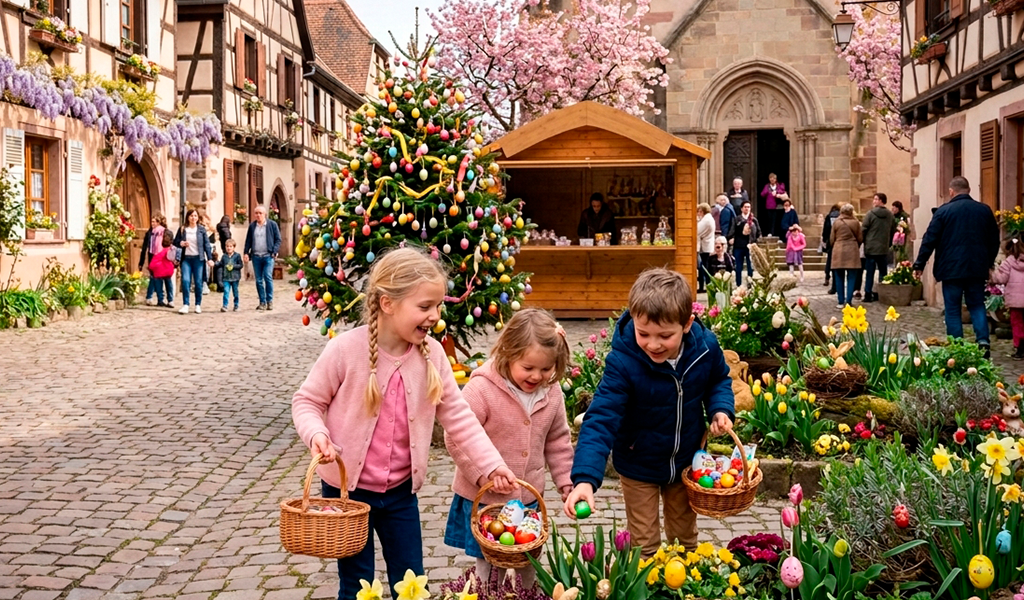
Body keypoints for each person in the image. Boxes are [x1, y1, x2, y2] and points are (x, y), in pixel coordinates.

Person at [291, 247, 518, 600]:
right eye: (425, 307)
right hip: (347, 495)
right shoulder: (345, 350)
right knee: (356, 584)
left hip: (400, 495)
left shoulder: (433, 355)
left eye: (438, 306)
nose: (435, 316)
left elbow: (459, 418)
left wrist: (491, 465)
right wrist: (317, 434)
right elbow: (307, 401)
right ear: (387, 303)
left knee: (411, 583)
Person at [563, 268, 734, 557]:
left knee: (684, 539)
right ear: (633, 318)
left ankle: (684, 586)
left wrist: (720, 408)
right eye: (644, 334)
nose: (653, 344)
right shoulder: (623, 362)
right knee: (644, 543)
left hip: (684, 463)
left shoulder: (705, 350)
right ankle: (647, 585)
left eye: (664, 336)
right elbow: (602, 418)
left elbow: (718, 380)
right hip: (637, 464)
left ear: (687, 324)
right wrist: (584, 479)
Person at [444, 309, 574, 585]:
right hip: (486, 499)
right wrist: (484, 476)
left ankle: (529, 592)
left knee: (529, 560)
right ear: (507, 353)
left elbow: (558, 440)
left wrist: (566, 483)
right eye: (528, 368)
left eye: (546, 369)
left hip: (528, 498)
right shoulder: (482, 389)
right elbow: (456, 437)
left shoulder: (551, 393)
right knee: (490, 563)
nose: (537, 376)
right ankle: (486, 593)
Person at [913, 177, 1000, 358]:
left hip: (950, 268)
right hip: (976, 268)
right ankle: (983, 341)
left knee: (952, 309)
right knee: (976, 305)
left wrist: (919, 264)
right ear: (968, 190)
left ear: (951, 191)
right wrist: (988, 262)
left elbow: (930, 239)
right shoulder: (984, 211)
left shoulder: (943, 212)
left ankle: (957, 346)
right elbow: (994, 241)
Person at [173, 209, 214, 314]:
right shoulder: (183, 229)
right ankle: (186, 304)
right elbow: (175, 242)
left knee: (198, 282)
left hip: (198, 259)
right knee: (186, 281)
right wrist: (181, 243)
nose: (193, 218)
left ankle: (197, 304)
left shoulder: (201, 230)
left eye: (195, 216)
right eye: (191, 216)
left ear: (198, 217)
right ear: (188, 217)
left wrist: (209, 258)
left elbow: (207, 245)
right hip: (186, 259)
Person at [990, 238, 1024, 360]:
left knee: (1017, 324)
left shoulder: (1009, 262)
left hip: (1015, 301)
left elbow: (1001, 279)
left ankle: (1020, 347)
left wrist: (991, 275)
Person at [244, 205, 282, 311]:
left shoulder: (272, 225)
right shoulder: (252, 226)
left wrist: (274, 251)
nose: (258, 215)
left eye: (260, 213)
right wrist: (246, 252)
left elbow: (278, 239)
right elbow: (248, 240)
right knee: (259, 280)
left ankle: (269, 301)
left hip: (268, 256)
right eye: (256, 213)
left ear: (265, 214)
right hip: (256, 256)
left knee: (267, 277)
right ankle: (262, 302)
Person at [861, 193, 897, 303]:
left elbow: (864, 229)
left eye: (876, 199)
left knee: (870, 273)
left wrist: (864, 241)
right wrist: (888, 243)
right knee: (883, 272)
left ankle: (868, 293)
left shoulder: (870, 214)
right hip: (883, 248)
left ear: (881, 201)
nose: (874, 201)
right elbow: (893, 230)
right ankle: (881, 294)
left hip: (871, 248)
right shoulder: (890, 215)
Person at [830, 203, 863, 308]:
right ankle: (848, 301)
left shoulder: (836, 222)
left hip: (838, 250)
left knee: (839, 276)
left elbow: (831, 239)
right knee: (851, 277)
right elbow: (860, 238)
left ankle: (840, 301)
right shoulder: (856, 223)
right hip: (852, 250)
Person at [733, 201, 760, 286]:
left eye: (748, 207)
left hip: (750, 246)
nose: (747, 208)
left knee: (750, 266)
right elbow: (732, 230)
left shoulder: (753, 220)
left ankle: (750, 285)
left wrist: (755, 241)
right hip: (739, 245)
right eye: (745, 207)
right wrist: (730, 238)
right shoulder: (737, 219)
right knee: (738, 267)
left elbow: (758, 232)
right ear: (741, 208)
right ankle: (738, 285)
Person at [140, 214, 166, 306]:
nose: (152, 223)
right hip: (152, 257)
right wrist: (141, 262)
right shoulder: (149, 233)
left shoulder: (162, 232)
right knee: (154, 278)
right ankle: (155, 298)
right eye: (151, 222)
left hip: (160, 257)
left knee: (156, 278)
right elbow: (144, 247)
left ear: (158, 223)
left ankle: (152, 297)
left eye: (154, 222)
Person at [147, 231, 176, 308]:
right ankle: (170, 300)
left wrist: (150, 268)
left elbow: (153, 263)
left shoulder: (160, 251)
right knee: (169, 286)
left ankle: (160, 300)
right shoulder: (171, 249)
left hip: (158, 271)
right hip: (168, 270)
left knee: (159, 287)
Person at [216, 239, 244, 312]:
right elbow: (220, 264)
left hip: (235, 277)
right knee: (226, 291)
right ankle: (225, 305)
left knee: (235, 292)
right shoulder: (224, 257)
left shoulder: (237, 256)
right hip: (226, 277)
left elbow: (240, 265)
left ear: (234, 247)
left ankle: (236, 305)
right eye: (227, 246)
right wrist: (214, 263)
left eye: (230, 246)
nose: (229, 248)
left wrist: (233, 266)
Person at [696, 203, 715, 293]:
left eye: (699, 211)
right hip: (706, 245)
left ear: (702, 211)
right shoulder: (707, 218)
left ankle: (703, 286)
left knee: (703, 267)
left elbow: (697, 230)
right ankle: (705, 285)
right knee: (704, 266)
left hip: (705, 246)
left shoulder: (706, 219)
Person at [822, 203, 841, 293]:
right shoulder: (841, 217)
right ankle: (837, 284)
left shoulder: (829, 216)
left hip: (831, 242)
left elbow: (825, 230)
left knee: (830, 261)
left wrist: (825, 239)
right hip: (840, 242)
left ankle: (827, 277)